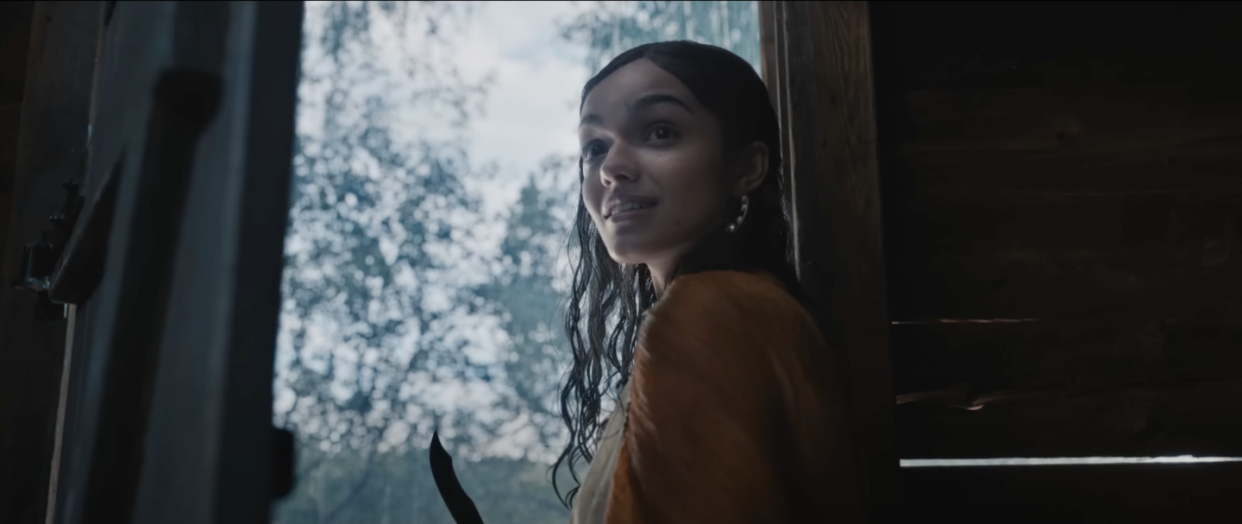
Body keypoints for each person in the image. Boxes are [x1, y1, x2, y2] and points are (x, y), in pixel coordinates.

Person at [557, 41, 861, 524]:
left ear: (746, 168)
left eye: (659, 131)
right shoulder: (751, 304)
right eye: (595, 147)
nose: (611, 168)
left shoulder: (709, 311)